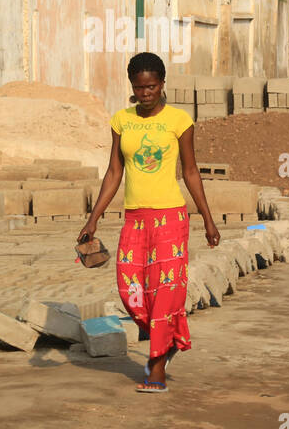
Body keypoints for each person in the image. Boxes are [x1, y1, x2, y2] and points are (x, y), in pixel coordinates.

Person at [79, 52, 219, 393]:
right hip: (135, 220)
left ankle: (156, 370)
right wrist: (92, 219)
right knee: (131, 291)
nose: (146, 94)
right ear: (132, 86)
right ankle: (170, 338)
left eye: (152, 86)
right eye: (140, 88)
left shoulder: (179, 121)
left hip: (171, 217)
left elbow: (189, 171)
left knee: (164, 295)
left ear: (162, 84)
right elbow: (114, 172)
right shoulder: (121, 121)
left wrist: (208, 220)